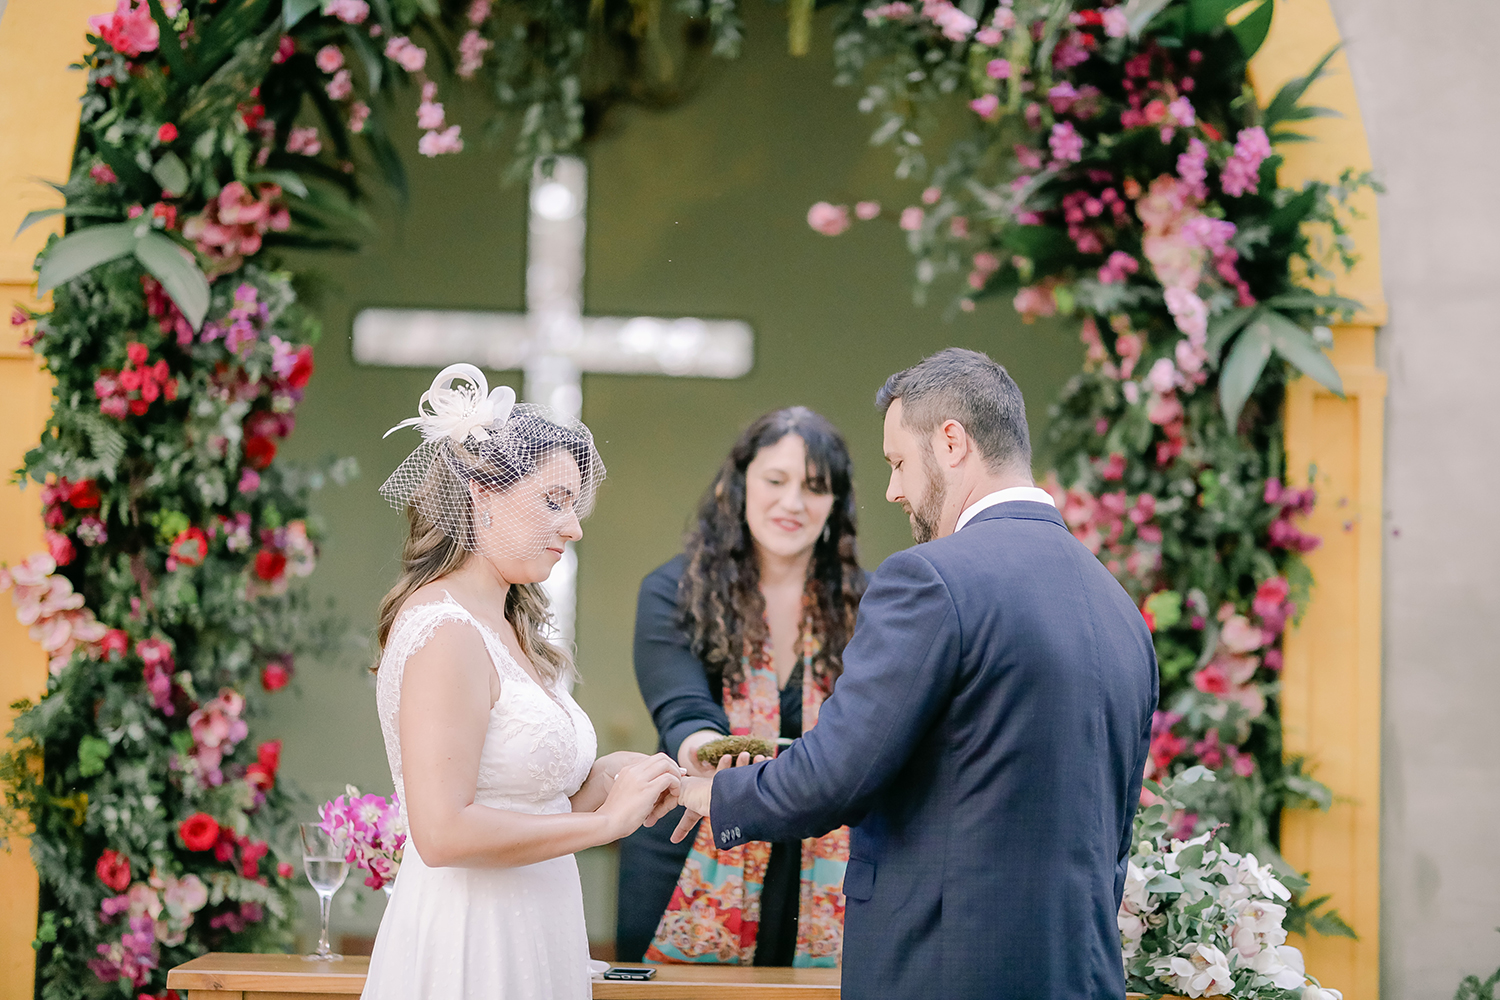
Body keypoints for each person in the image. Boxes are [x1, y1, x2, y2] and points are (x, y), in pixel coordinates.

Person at [673, 348, 1159, 1000]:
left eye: (898, 462)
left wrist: (716, 795)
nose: (893, 490)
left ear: (951, 442)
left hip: (947, 972)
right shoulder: (1118, 605)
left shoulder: (930, 578)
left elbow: (840, 771)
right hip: (1083, 977)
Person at [361, 365, 683, 1000]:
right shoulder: (444, 629)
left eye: (575, 503)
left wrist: (608, 781)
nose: (574, 526)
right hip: (472, 943)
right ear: (481, 492)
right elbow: (443, 831)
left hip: (538, 930)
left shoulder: (510, 623)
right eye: (553, 500)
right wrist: (604, 825)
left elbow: (524, 804)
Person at [616, 407, 866, 966]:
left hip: (823, 862)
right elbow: (681, 709)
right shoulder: (672, 592)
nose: (793, 503)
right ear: (739, 484)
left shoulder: (868, 607)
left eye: (815, 487)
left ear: (835, 505)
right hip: (685, 844)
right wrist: (713, 756)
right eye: (775, 481)